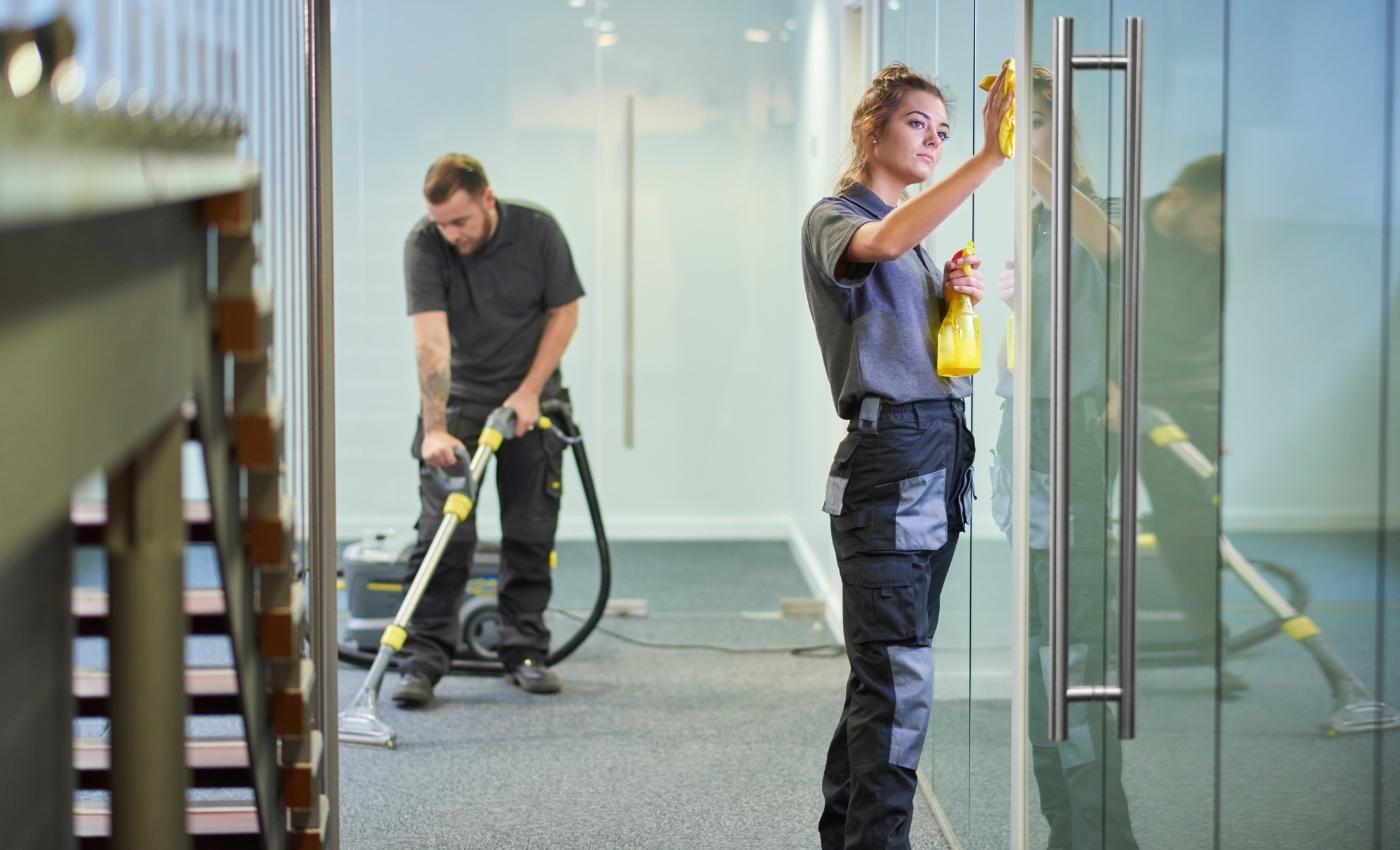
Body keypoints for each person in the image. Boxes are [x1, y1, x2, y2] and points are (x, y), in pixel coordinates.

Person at [801, 62, 1010, 850]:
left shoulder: (916, 241)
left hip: (934, 459)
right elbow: (881, 240)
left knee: (884, 681)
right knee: (897, 685)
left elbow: (904, 282)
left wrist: (948, 298)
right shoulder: (835, 216)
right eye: (918, 123)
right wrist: (988, 157)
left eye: (944, 131)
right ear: (872, 130)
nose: (933, 139)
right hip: (890, 465)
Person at [989, 64, 1139, 850]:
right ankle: (1066, 833)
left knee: (1072, 648)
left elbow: (1109, 247)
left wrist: (1027, 157)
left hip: (1073, 445)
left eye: (1039, 120)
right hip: (1028, 439)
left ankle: (1099, 837)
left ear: (1061, 130)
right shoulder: (1033, 222)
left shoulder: (1090, 208)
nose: (1027, 133)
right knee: (1041, 654)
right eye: (1020, 120)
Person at [392, 153, 584, 706]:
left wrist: (529, 392)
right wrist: (434, 429)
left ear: (488, 201)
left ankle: (523, 648)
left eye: (461, 222)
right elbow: (430, 342)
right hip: (459, 400)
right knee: (444, 533)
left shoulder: (538, 231)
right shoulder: (425, 244)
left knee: (529, 529)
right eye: (442, 224)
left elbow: (564, 313)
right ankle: (422, 658)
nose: (451, 235)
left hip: (533, 395)